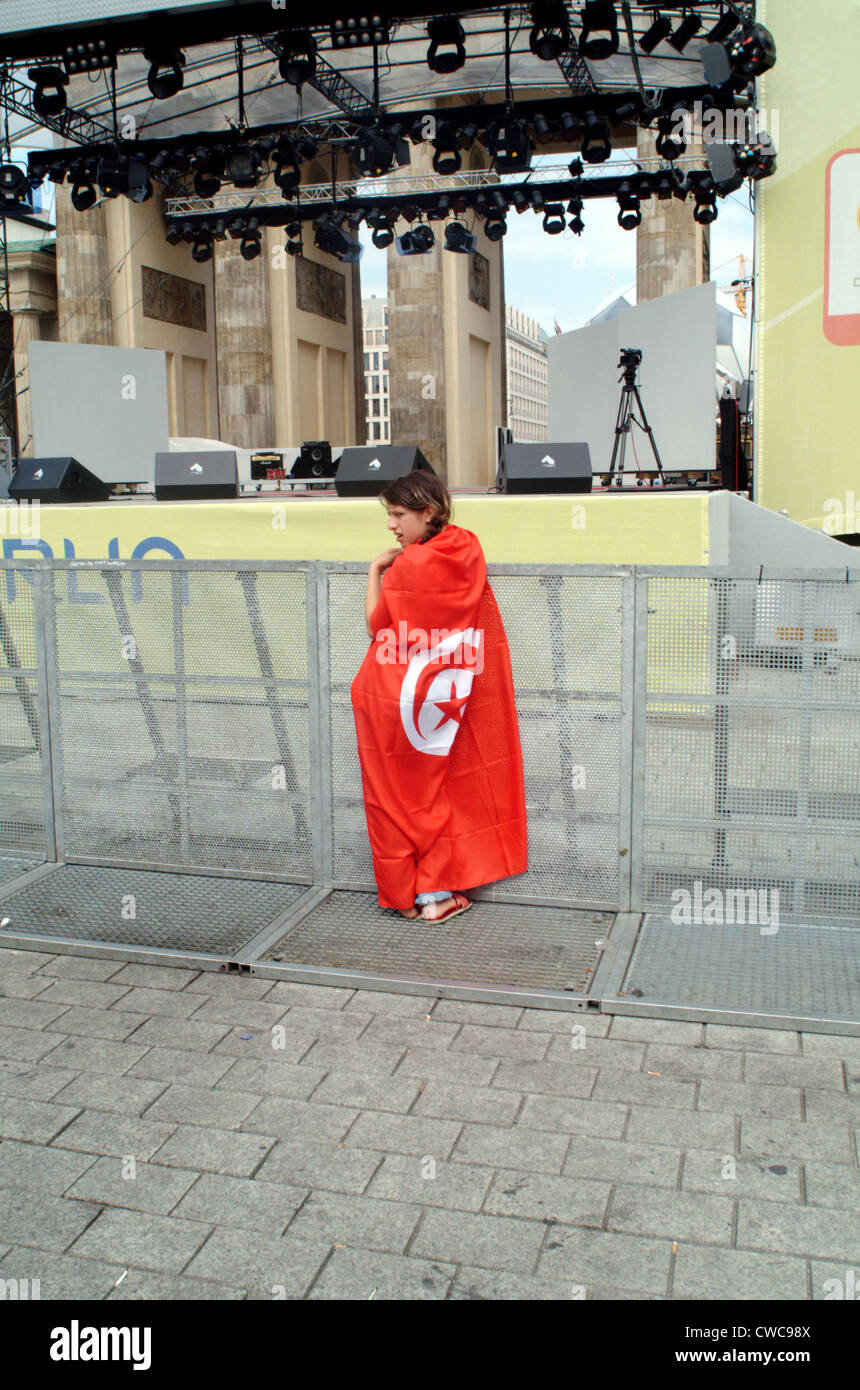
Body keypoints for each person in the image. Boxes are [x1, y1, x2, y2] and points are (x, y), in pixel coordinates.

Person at [350, 470, 528, 924]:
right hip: (442, 699)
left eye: (398, 515)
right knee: (436, 793)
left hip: (390, 698)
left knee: (393, 799)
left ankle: (403, 897)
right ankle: (437, 895)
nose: (392, 526)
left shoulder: (407, 564)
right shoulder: (468, 548)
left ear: (427, 511)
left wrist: (375, 569)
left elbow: (378, 626)